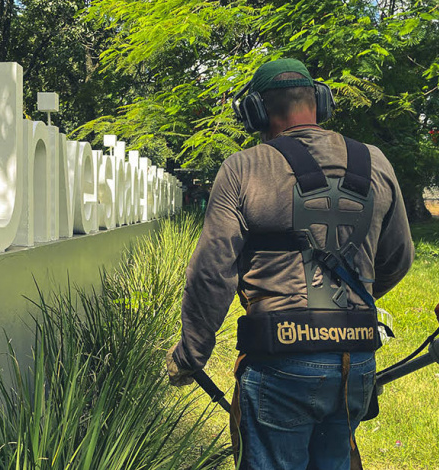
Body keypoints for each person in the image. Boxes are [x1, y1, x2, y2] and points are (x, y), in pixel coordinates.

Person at [166, 59, 414, 470]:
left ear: (256, 113)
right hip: (357, 364)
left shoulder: (243, 169)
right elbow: (398, 259)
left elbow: (212, 274)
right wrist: (348, 303)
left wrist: (191, 355)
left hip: (281, 363)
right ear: (320, 101)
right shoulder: (376, 162)